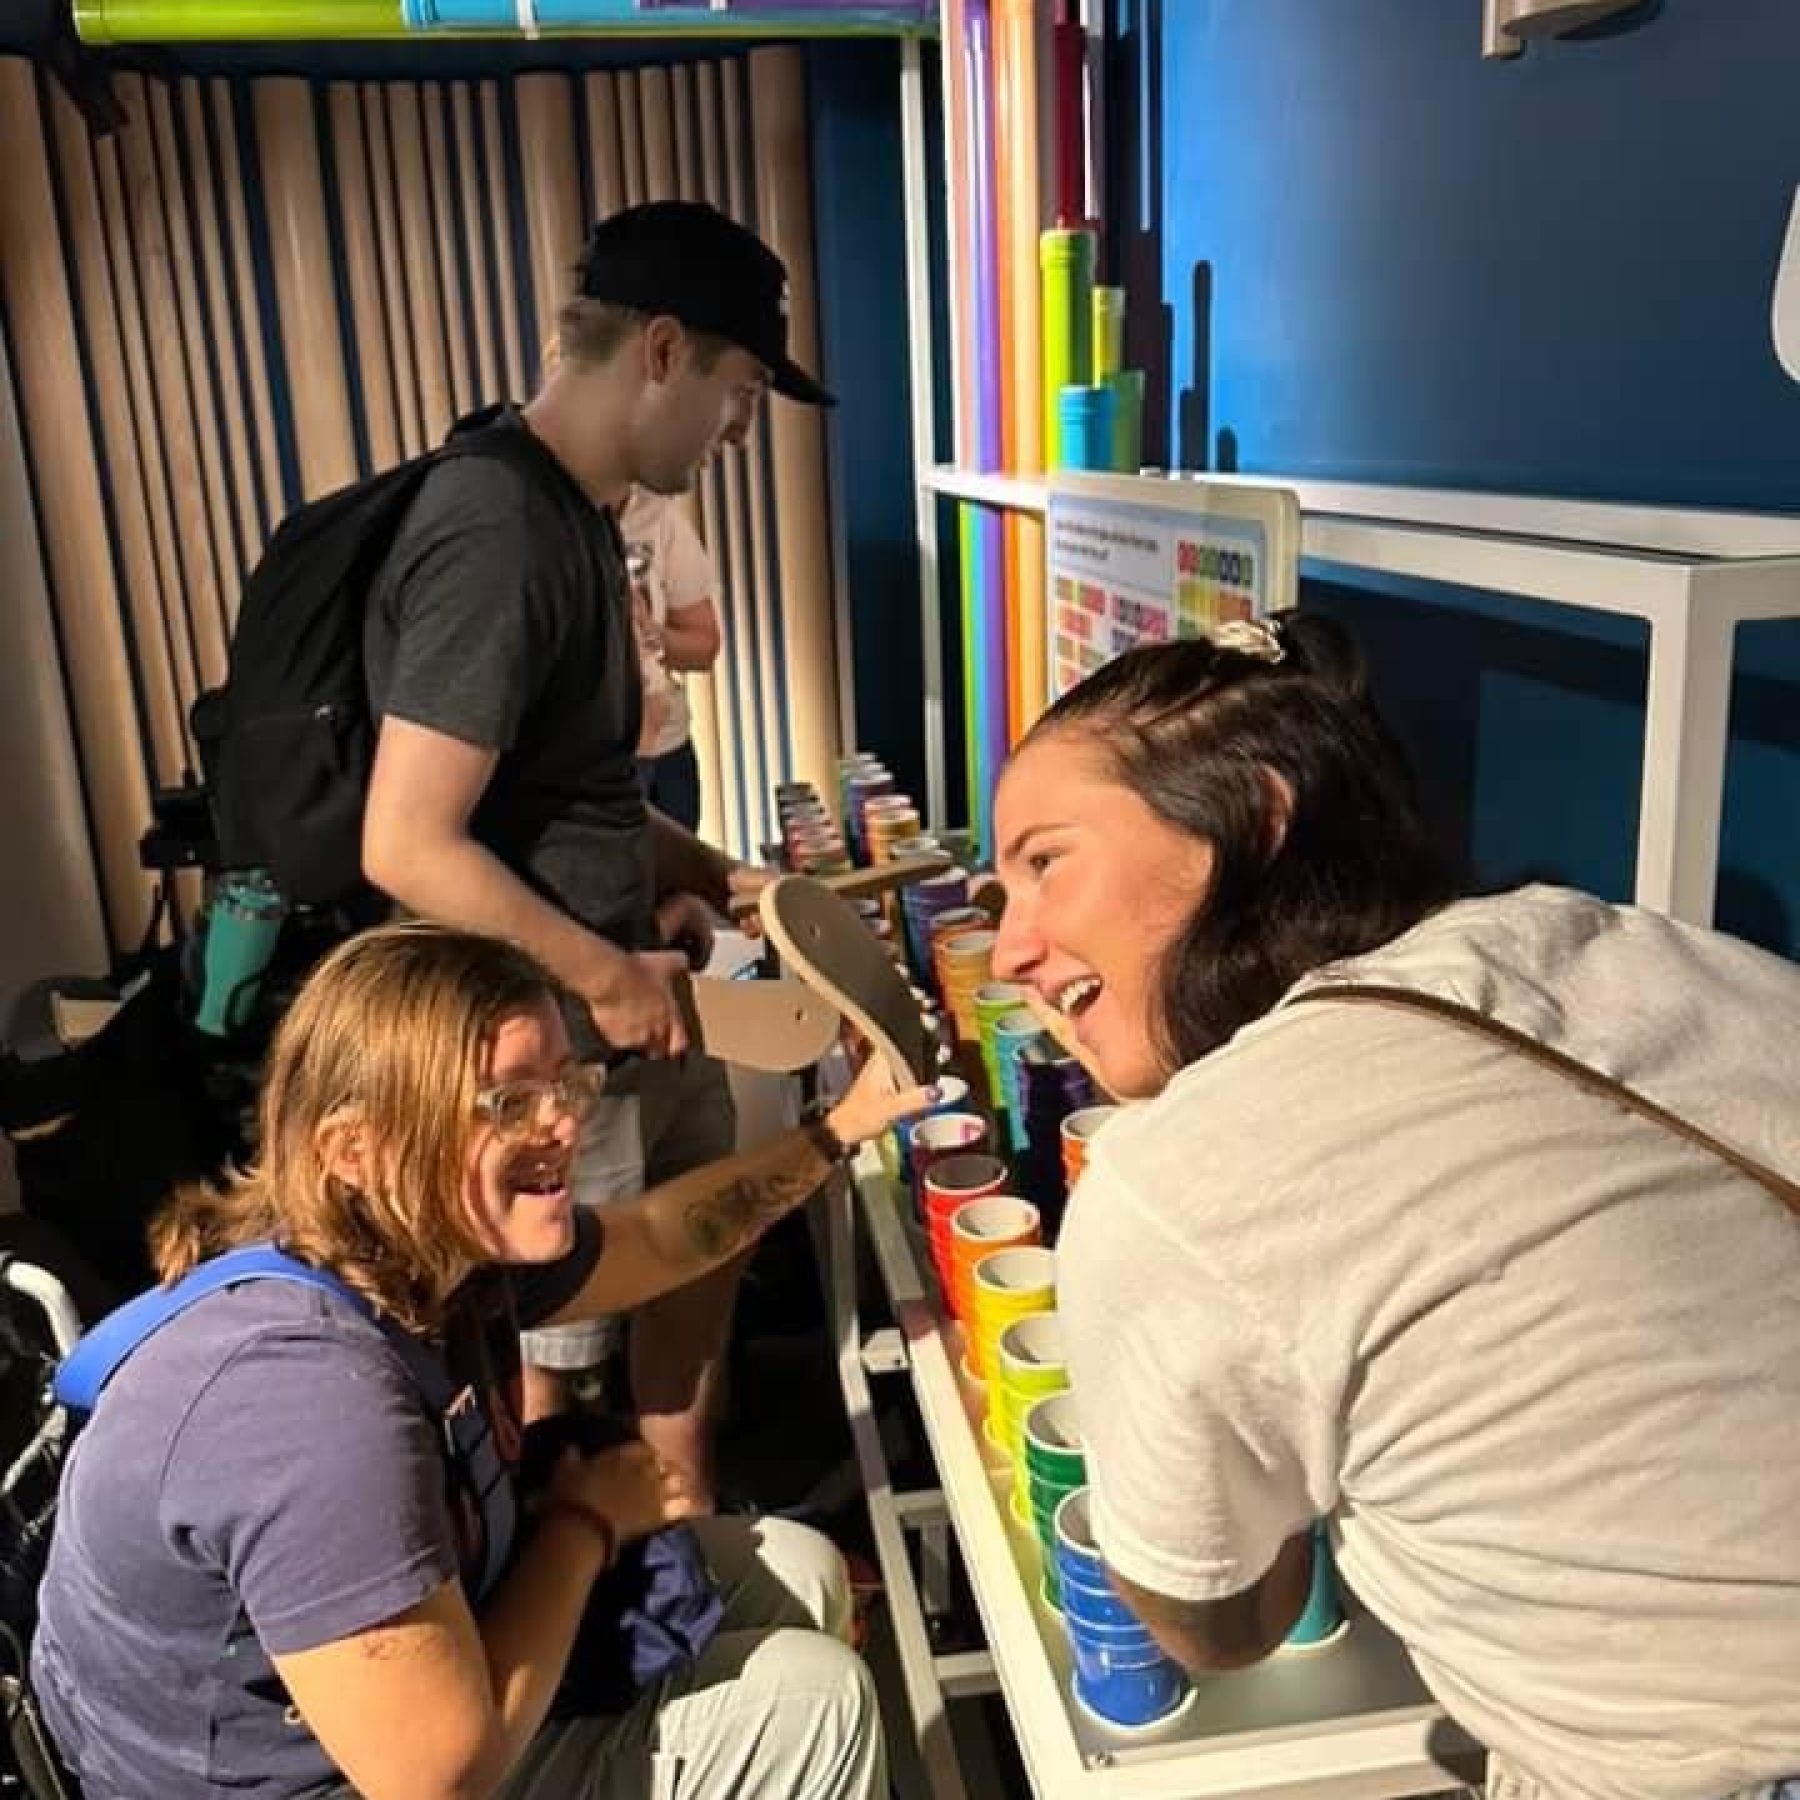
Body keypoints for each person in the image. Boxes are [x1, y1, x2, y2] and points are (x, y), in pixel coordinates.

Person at [990, 612, 1800, 1800]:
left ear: (1256, 819)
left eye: (1045, 863)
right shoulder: (1633, 945)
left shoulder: (1177, 1183)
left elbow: (1220, 1624)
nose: (1010, 949)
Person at [32, 921, 931, 1800]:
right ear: (354, 1149)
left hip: (418, 1671)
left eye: (564, 1084)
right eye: (508, 1104)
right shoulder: (308, 1402)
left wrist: (838, 1130)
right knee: (816, 1706)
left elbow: (660, 1240)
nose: (563, 1124)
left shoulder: (424, 1250)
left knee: (802, 1571)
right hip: (358, 1770)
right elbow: (435, 1776)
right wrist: (581, 1524)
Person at [361, 199, 834, 1492]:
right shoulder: (495, 527)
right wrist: (604, 974)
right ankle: (581, 1576)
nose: (741, 432)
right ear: (664, 351)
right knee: (552, 1356)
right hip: (545, 1047)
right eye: (741, 394)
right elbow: (407, 839)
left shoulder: (578, 518)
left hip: (629, 1015)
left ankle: (687, 1530)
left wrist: (713, 875)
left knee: (696, 1260)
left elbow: (585, 791)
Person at [621, 486, 723, 832]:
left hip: (665, 751)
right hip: (581, 765)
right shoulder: (538, 522)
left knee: (679, 864)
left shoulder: (657, 516)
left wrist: (650, 632)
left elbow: (704, 647)